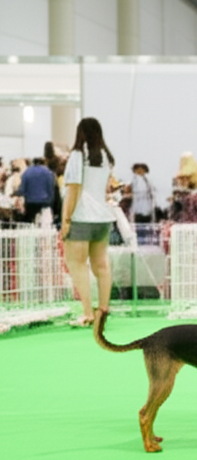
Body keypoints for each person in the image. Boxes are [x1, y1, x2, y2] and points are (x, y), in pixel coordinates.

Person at [61, 118, 115, 328]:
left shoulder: (77, 156)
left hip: (81, 217)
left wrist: (66, 219)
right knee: (101, 265)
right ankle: (103, 310)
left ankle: (87, 313)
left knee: (77, 264)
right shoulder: (105, 157)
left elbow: (73, 189)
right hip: (103, 217)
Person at [15, 158, 56, 224]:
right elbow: (51, 189)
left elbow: (22, 190)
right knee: (45, 225)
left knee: (30, 225)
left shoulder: (27, 172)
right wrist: (51, 203)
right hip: (45, 203)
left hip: (30, 203)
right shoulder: (49, 173)